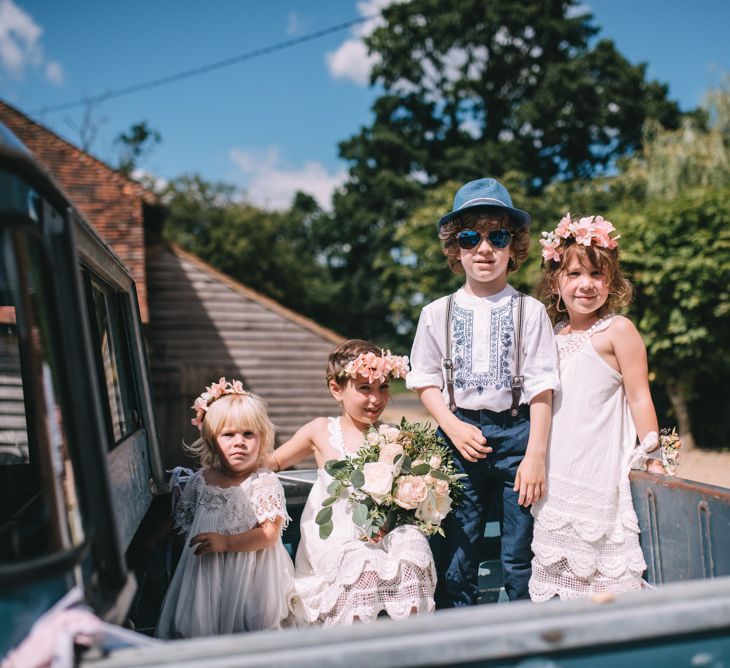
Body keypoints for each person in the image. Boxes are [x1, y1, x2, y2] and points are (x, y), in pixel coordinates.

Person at [407, 178, 559, 606]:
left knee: (520, 553)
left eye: (498, 236)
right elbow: (424, 379)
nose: (485, 248)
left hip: (518, 437)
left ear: (514, 247)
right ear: (456, 248)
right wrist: (452, 427)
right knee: (457, 550)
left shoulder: (530, 311)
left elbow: (542, 386)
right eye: (471, 237)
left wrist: (536, 455)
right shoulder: (437, 313)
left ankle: (524, 641)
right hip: (459, 437)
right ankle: (463, 640)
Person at [529, 214, 664, 602]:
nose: (585, 284)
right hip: (556, 480)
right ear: (556, 282)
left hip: (597, 477)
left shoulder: (617, 330)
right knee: (558, 596)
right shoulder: (550, 337)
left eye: (596, 274)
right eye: (573, 274)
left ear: (611, 282)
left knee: (602, 592)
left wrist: (653, 456)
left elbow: (640, 396)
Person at [267, 340, 436, 626]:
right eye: (364, 388)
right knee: (362, 561)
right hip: (335, 536)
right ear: (337, 389)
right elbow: (272, 462)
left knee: (413, 544)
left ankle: (412, 633)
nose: (376, 398)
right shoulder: (321, 430)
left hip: (380, 534)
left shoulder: (393, 435)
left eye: (383, 387)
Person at [156, 379, 296, 638]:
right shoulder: (202, 480)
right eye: (228, 434)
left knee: (252, 624)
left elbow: (269, 534)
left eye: (248, 434)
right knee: (198, 623)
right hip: (206, 572)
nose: (239, 442)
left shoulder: (263, 482)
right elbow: (181, 520)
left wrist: (227, 543)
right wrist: (154, 538)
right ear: (211, 441)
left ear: (262, 439)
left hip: (251, 573)